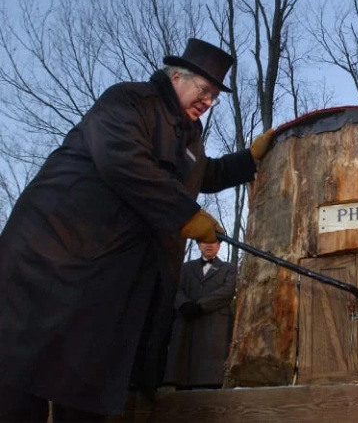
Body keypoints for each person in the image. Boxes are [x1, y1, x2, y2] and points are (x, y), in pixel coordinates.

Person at [0, 38, 274, 422]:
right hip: (50, 255)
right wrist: (185, 215)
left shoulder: (189, 135)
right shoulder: (129, 101)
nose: (208, 102)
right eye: (204, 90)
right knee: (19, 377)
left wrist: (250, 159)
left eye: (214, 96)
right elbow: (123, 160)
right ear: (176, 76)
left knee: (84, 386)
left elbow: (202, 174)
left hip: (99, 280)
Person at [163, 238, 237, 389]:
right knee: (182, 370)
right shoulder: (185, 267)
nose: (209, 245)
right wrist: (184, 304)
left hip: (215, 324)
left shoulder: (229, 268)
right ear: (198, 245)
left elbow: (227, 292)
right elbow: (175, 288)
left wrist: (200, 306)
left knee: (211, 374)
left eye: (214, 242)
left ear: (219, 245)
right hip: (186, 323)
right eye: (204, 241)